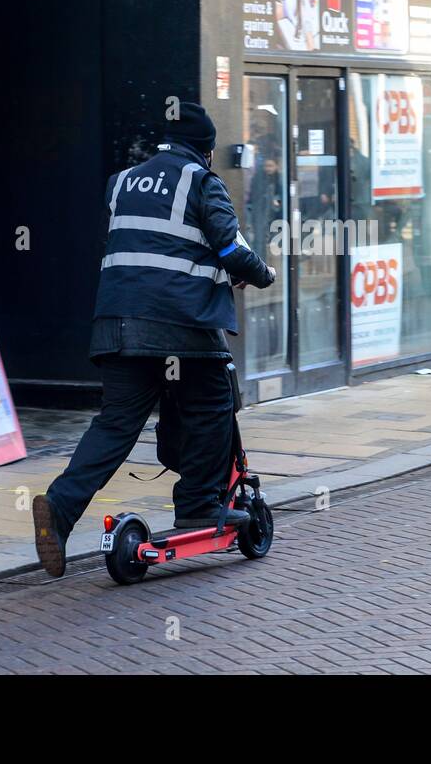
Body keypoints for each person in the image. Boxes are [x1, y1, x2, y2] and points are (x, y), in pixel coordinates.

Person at [32, 102, 276, 578]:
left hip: (117, 323)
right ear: (206, 150)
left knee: (116, 424)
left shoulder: (121, 182)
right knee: (212, 406)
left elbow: (152, 244)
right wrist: (261, 274)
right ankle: (200, 506)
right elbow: (229, 247)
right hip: (180, 324)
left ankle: (60, 509)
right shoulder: (202, 182)